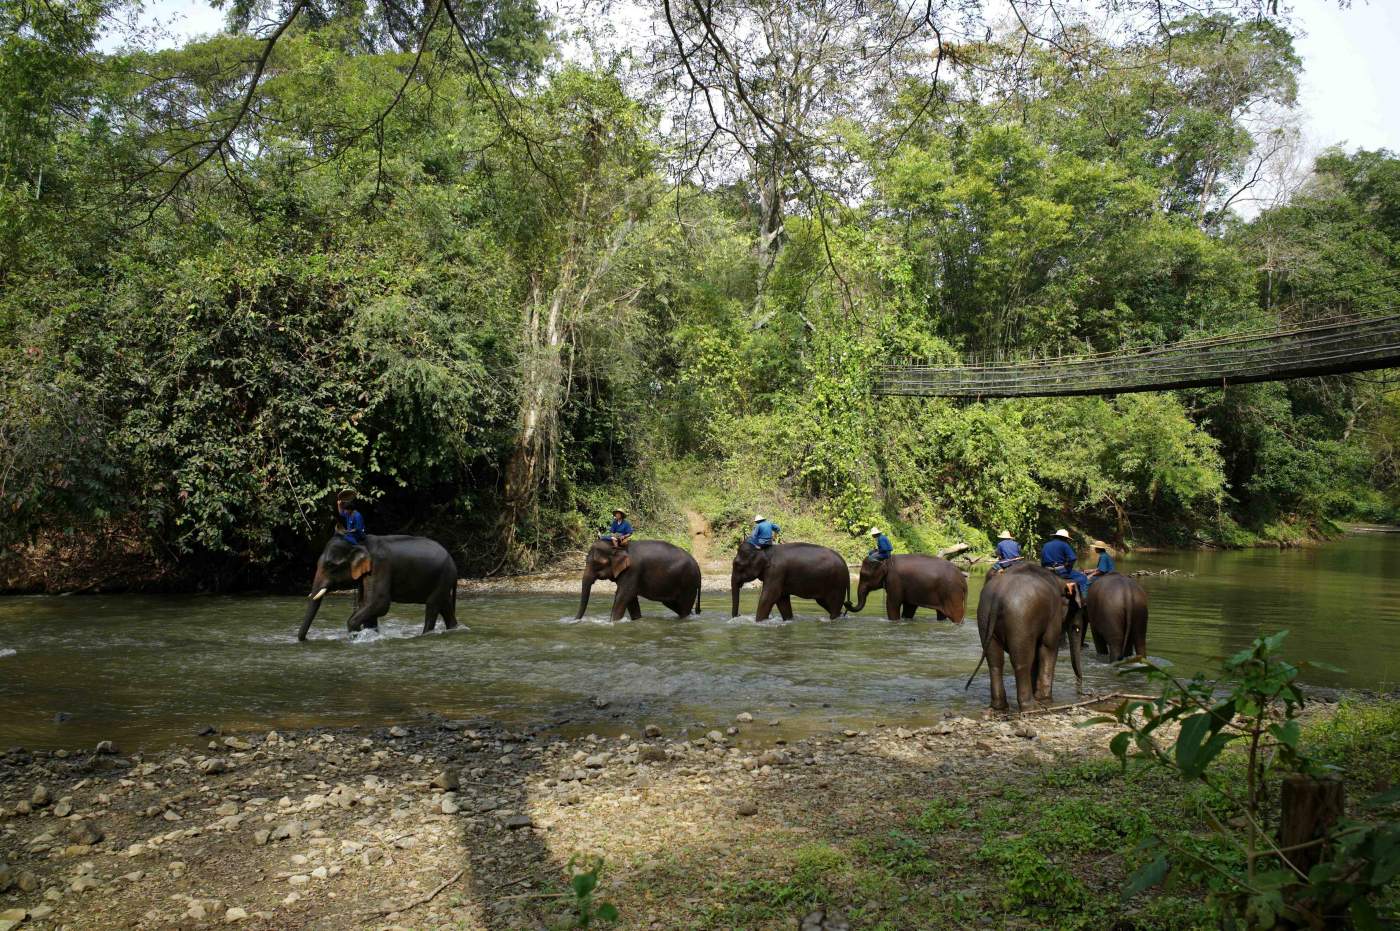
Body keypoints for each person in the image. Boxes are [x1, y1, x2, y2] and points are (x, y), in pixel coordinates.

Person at [1040, 528, 1088, 595]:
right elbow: (1073, 558)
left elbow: (1042, 560)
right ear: (1064, 538)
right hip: (1059, 571)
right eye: (1066, 539)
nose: (1067, 540)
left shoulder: (1046, 544)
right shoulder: (1064, 545)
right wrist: (1068, 567)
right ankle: (1084, 600)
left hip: (1046, 570)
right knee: (1083, 578)